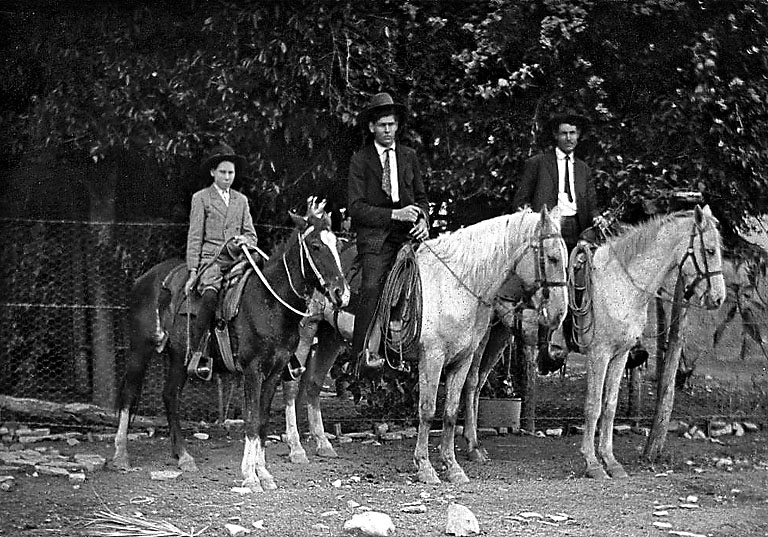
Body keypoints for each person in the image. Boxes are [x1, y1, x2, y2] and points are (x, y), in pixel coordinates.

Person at [512, 112, 606, 369]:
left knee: (588, 278)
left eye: (573, 133)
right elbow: (520, 201)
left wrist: (596, 219)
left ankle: (580, 338)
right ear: (555, 135)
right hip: (549, 231)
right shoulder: (538, 163)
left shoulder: (583, 169)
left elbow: (591, 205)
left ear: (579, 136)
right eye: (564, 133)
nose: (569, 138)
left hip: (577, 228)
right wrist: (532, 223)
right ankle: (545, 346)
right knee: (551, 282)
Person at [348, 92, 430, 369]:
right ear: (372, 127)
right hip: (376, 237)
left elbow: (421, 198)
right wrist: (394, 214)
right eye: (382, 125)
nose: (387, 130)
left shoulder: (409, 156)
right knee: (372, 286)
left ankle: (414, 343)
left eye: (391, 125)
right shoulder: (360, 160)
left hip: (409, 234)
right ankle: (360, 355)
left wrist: (423, 221)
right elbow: (356, 208)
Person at [184, 143, 258, 378]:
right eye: (223, 172)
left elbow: (252, 234)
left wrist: (245, 241)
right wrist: (193, 271)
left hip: (237, 260)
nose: (228, 177)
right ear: (213, 173)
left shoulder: (241, 201)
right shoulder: (201, 198)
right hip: (211, 260)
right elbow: (195, 236)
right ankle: (198, 353)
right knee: (210, 295)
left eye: (231, 173)